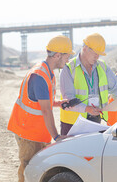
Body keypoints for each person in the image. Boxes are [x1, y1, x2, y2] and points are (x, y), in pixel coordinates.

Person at [7, 35, 74, 182]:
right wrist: (56, 136)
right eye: (67, 56)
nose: (68, 60)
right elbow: (45, 110)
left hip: (35, 132)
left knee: (37, 169)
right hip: (28, 132)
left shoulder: (47, 73)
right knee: (28, 169)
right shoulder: (40, 76)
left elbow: (43, 102)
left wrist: (59, 103)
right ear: (57, 55)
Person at [59, 33, 117, 135]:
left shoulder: (102, 66)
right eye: (95, 53)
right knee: (71, 151)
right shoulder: (68, 69)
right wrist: (87, 109)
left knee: (91, 151)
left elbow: (116, 87)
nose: (97, 57)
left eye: (99, 54)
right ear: (85, 48)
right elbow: (68, 99)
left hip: (95, 120)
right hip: (72, 123)